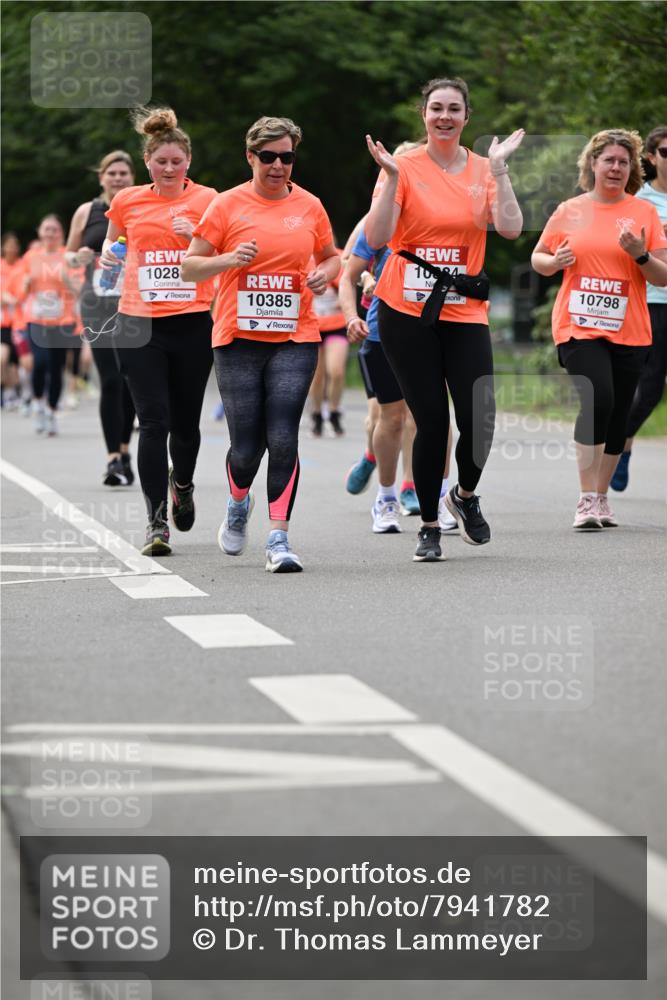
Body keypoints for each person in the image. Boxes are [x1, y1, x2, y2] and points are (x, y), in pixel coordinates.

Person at [365, 77, 524, 561]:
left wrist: (500, 170)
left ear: (466, 117)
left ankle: (465, 496)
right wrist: (391, 179)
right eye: (437, 108)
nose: (445, 117)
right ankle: (430, 525)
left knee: (480, 416)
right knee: (431, 418)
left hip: (462, 308)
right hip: (405, 309)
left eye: (454, 109)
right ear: (424, 114)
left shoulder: (483, 169)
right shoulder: (402, 166)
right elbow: (377, 236)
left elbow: (511, 229)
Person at [182, 115, 339, 573]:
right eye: (268, 157)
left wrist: (323, 275)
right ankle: (237, 502)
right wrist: (229, 259)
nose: (277, 166)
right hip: (237, 339)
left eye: (286, 157)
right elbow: (190, 266)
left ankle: (278, 538)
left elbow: (333, 258)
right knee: (246, 447)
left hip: (295, 336)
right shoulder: (227, 205)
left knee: (284, 434)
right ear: (250, 157)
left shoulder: (309, 206)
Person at [531, 128, 667, 529]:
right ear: (592, 163)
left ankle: (601, 497)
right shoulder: (569, 210)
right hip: (578, 325)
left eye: (624, 162)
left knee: (620, 411)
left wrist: (640, 255)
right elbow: (539, 257)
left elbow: (662, 277)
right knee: (599, 397)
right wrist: (554, 262)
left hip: (631, 327)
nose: (616, 167)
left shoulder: (644, 213)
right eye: (608, 160)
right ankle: (586, 496)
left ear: (632, 168)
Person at [101, 107, 217, 555]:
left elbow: (225, 256)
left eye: (177, 162)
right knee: (152, 423)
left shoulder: (209, 200)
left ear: (189, 161)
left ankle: (182, 483)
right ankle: (156, 522)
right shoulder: (127, 200)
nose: (169, 169)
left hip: (191, 320)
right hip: (138, 322)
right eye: (161, 162)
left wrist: (195, 237)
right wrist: (108, 256)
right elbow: (115, 245)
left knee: (185, 426)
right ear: (147, 161)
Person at [66, 150, 137, 485]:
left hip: (133, 303)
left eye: (123, 173)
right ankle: (113, 459)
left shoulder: (140, 207)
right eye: (112, 173)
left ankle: (125, 450)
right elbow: (68, 256)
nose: (118, 178)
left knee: (129, 379)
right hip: (97, 304)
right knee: (109, 379)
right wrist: (78, 258)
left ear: (132, 177)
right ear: (101, 177)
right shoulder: (87, 211)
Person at [611, 125, 667, 491]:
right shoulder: (640, 203)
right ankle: (621, 443)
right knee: (649, 390)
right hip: (655, 303)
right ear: (651, 157)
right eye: (666, 152)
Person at [19, 215, 80, 436]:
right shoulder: (30, 257)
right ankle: (37, 401)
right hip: (37, 318)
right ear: (40, 232)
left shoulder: (68, 256)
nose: (50, 233)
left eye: (54, 229)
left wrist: (66, 279)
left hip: (63, 320)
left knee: (56, 367)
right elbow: (21, 290)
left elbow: (78, 289)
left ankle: (52, 411)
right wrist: (26, 284)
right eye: (47, 229)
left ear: (61, 233)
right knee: (40, 362)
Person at [308, 249, 348, 437]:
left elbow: (348, 283)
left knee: (336, 371)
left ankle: (334, 412)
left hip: (336, 325)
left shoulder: (339, 257)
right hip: (312, 326)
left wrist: (343, 297)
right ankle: (317, 415)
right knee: (316, 376)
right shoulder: (302, 256)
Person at [1, 232, 22, 407]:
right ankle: (7, 392)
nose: (12, 248)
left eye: (14, 245)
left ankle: (17, 392)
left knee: (18, 363)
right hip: (4, 322)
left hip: (21, 321)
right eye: (8, 245)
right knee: (2, 358)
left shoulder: (22, 266)